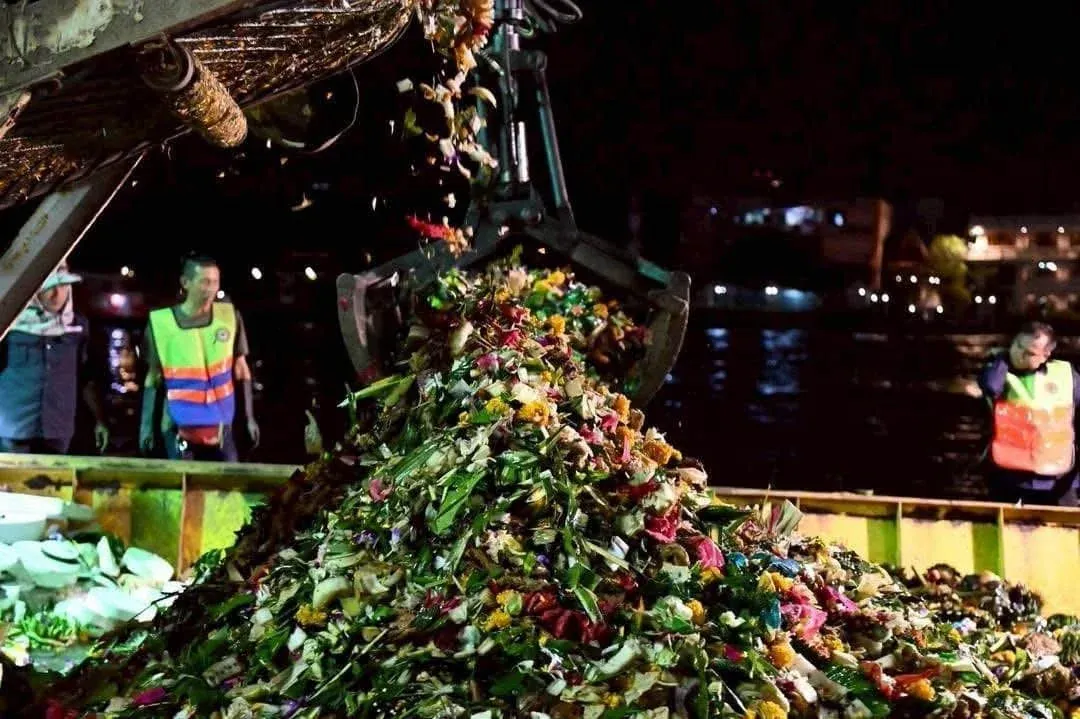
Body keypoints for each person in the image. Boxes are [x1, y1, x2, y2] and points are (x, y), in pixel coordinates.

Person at [139, 254, 259, 461]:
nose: (211, 288)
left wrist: (249, 418)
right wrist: (146, 426)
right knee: (185, 487)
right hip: (177, 426)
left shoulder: (229, 317)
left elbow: (241, 369)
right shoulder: (161, 324)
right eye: (204, 282)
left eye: (215, 282)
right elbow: (153, 376)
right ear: (186, 283)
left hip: (221, 426)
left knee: (228, 485)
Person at [0, 262, 109, 454]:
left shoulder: (78, 327)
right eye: (50, 287)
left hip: (57, 429)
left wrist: (100, 421)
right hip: (13, 429)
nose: (58, 294)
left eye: (63, 285)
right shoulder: (8, 325)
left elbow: (86, 378)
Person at [978, 321, 1080, 506]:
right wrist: (1003, 358)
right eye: (1017, 345)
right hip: (1010, 477)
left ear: (1045, 355)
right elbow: (990, 386)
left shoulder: (1065, 374)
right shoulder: (1000, 369)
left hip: (1059, 479)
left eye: (1029, 352)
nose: (1019, 354)